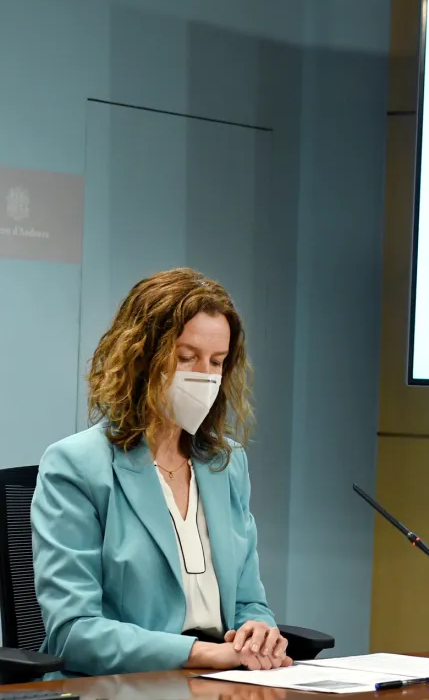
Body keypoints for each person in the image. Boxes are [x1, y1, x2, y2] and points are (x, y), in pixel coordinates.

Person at [31, 268, 291, 677]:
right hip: (122, 685)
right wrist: (203, 654)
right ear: (141, 356)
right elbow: (74, 634)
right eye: (186, 358)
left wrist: (259, 632)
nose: (204, 375)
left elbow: (247, 602)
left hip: (218, 680)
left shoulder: (226, 462)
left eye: (217, 361)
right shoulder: (76, 465)